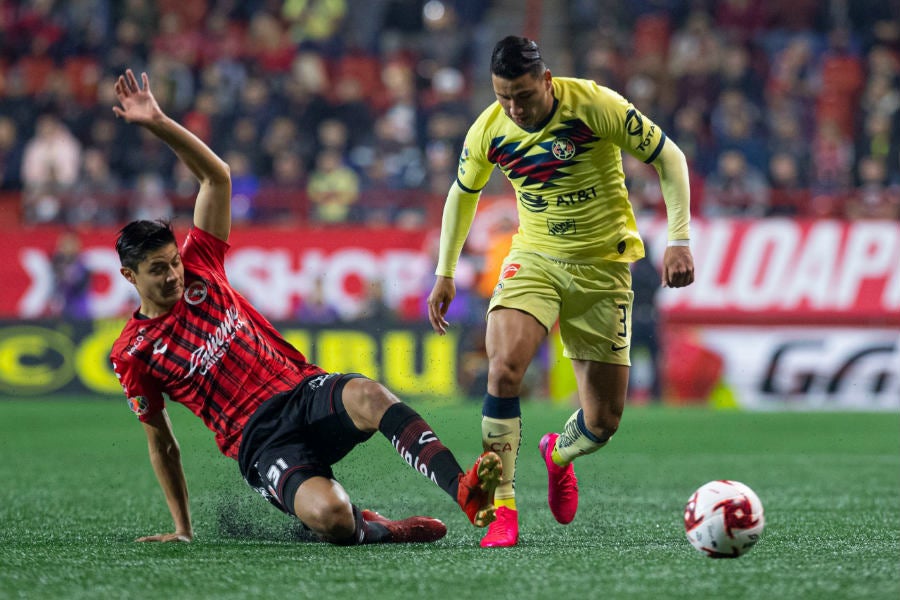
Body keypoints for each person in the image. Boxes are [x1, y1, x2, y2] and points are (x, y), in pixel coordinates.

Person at [108, 69, 502, 546]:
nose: (173, 275)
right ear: (130, 277)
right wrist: (183, 528)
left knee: (369, 394)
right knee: (331, 517)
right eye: (158, 270)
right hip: (259, 441)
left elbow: (217, 176)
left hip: (300, 391)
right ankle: (372, 525)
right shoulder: (133, 352)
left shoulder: (202, 265)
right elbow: (162, 441)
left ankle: (462, 489)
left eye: (173, 262)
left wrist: (158, 122)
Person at [426, 36, 695, 548]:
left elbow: (670, 158)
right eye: (504, 96)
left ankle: (557, 454)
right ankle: (501, 504)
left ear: (546, 81)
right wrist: (446, 271)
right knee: (502, 368)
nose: (515, 108)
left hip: (603, 269)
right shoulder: (488, 129)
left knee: (603, 422)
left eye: (524, 95)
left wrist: (679, 239)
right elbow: (462, 195)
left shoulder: (595, 105)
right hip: (536, 260)